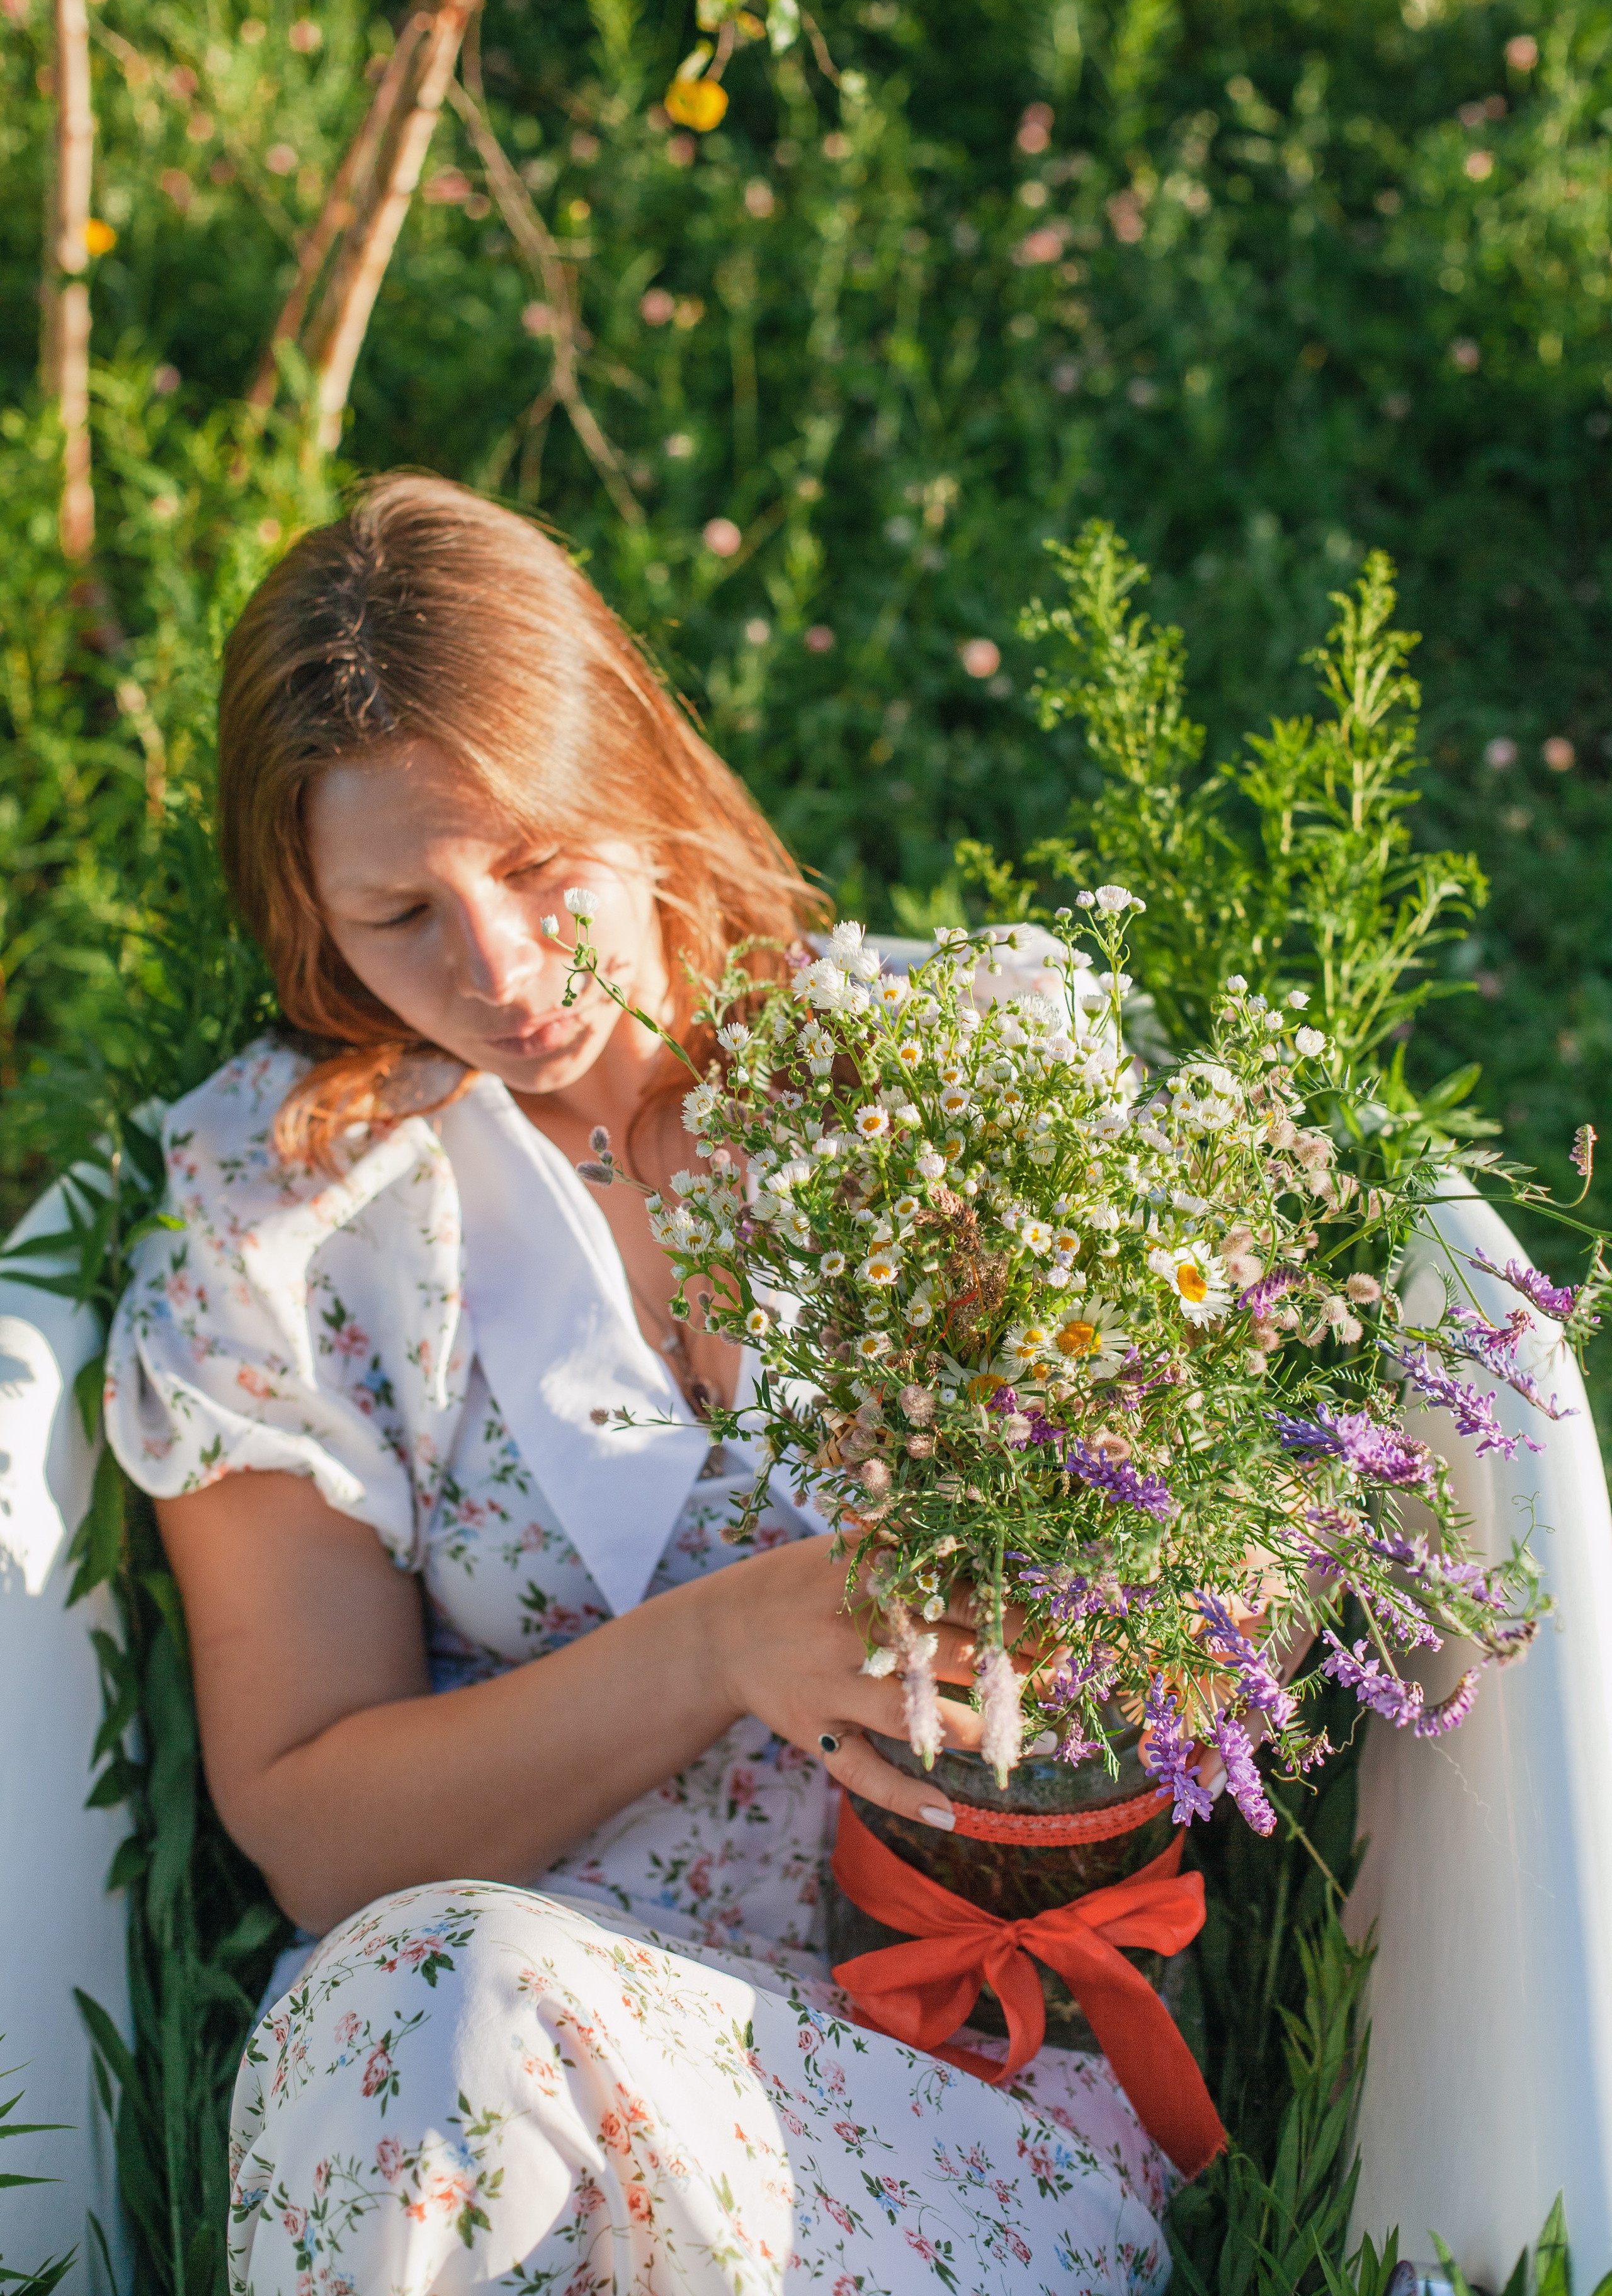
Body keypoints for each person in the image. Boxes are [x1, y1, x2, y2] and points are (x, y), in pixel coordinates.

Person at [106, 474, 1176, 2295]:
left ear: (634, 773)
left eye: (535, 865)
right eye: (399, 913)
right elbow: (314, 1836)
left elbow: (1183, 1605)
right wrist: (713, 1647)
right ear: (312, 921)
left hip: (943, 2072)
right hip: (476, 2085)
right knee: (441, 2000)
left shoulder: (950, 1083)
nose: (499, 970)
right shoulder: (290, 1216)